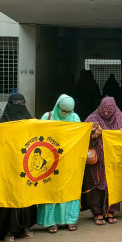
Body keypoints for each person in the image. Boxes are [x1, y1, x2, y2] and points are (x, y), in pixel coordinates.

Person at [0, 93, 37, 242]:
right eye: (15, 102)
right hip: (8, 167)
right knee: (9, 197)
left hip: (26, 166)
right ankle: (8, 230)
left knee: (26, 196)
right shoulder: (1, 125)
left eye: (21, 102)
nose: (19, 105)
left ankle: (26, 227)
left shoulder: (31, 122)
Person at [37, 95, 82, 233]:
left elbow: (79, 137)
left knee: (69, 188)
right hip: (51, 160)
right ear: (57, 107)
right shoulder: (48, 117)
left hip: (69, 161)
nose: (66, 114)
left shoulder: (75, 118)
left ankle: (70, 219)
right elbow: (39, 136)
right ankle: (51, 222)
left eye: (69, 111)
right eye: (64, 111)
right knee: (51, 189)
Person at [84, 97, 122, 226]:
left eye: (109, 111)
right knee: (96, 185)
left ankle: (110, 212)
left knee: (113, 185)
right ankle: (97, 213)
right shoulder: (92, 118)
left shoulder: (120, 119)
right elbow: (81, 138)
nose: (106, 113)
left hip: (114, 159)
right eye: (104, 110)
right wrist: (93, 135)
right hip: (97, 160)